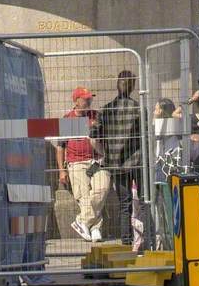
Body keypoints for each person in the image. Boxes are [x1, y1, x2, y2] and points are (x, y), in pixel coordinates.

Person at [56, 87, 109, 242]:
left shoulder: (96, 116)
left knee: (102, 188)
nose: (89, 101)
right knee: (84, 197)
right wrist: (61, 170)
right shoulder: (67, 119)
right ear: (77, 101)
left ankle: (82, 221)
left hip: (97, 160)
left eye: (90, 99)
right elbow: (60, 147)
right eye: (86, 99)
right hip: (76, 162)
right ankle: (95, 228)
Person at [96, 70, 143, 247]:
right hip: (137, 162)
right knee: (144, 202)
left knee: (124, 205)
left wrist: (105, 153)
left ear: (117, 84)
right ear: (133, 87)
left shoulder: (106, 110)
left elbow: (94, 135)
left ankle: (126, 242)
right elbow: (145, 136)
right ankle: (147, 241)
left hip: (116, 163)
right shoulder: (138, 109)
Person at [152, 97, 182, 249]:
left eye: (156, 109)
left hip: (168, 166)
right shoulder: (156, 127)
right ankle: (163, 242)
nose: (154, 112)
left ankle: (173, 242)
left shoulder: (172, 126)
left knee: (170, 206)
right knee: (159, 208)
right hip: (159, 166)